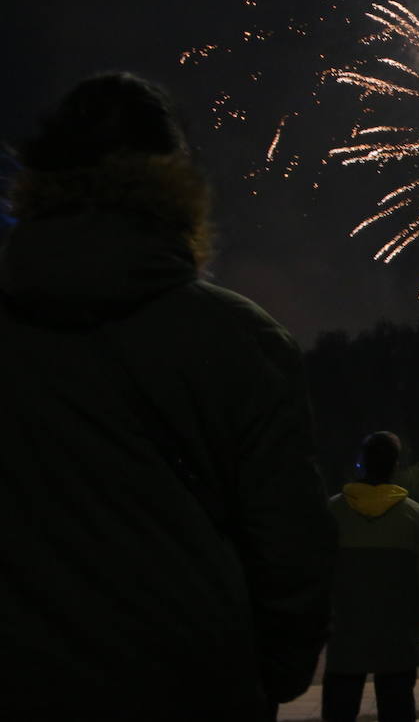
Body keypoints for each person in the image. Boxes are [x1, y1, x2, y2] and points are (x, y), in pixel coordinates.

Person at [0, 73, 336, 720]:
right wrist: (264, 677)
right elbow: (291, 553)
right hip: (192, 687)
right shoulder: (244, 342)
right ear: (176, 188)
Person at [324, 431, 419, 722]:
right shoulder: (412, 515)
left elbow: (317, 576)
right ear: (395, 466)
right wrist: (417, 635)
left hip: (345, 639)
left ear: (361, 463)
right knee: (397, 710)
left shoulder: (334, 511)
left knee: (339, 710)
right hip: (396, 640)